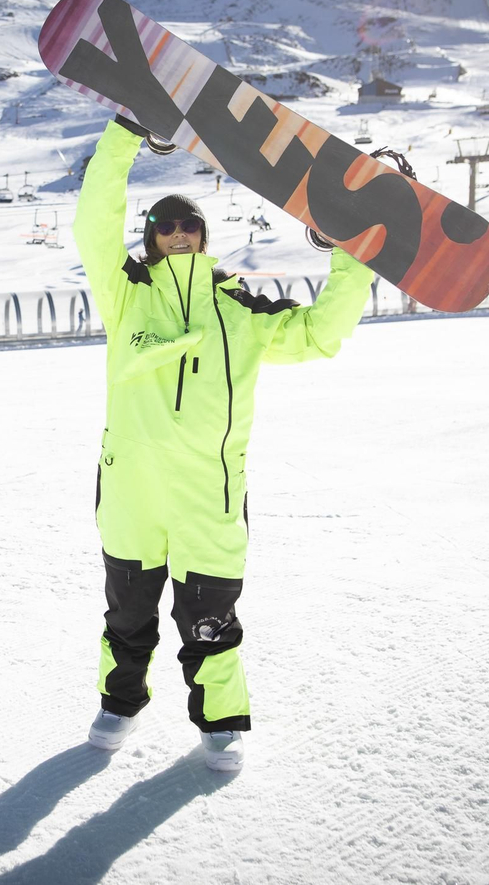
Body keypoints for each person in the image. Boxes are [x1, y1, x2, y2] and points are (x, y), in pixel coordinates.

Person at [74, 114, 375, 773]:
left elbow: (321, 333)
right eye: (165, 224)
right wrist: (125, 135)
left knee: (209, 622)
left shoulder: (241, 313)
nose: (178, 231)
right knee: (126, 615)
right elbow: (92, 222)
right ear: (150, 239)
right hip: (132, 491)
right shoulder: (126, 297)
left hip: (208, 497)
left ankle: (220, 722)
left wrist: (352, 254)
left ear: (204, 238)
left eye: (189, 224)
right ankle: (118, 704)